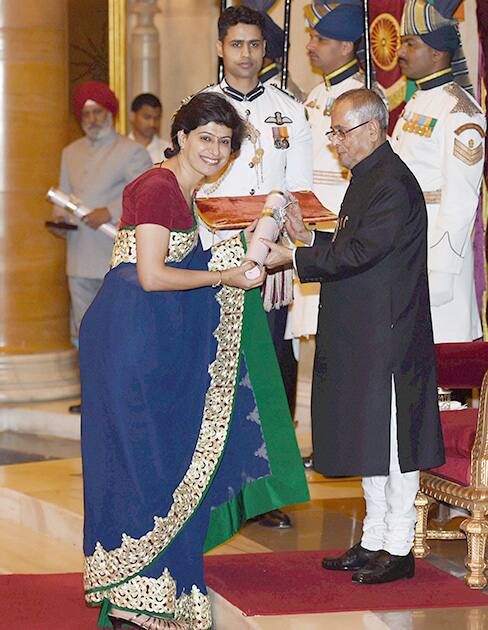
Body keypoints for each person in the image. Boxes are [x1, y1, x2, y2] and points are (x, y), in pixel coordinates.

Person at [80, 92, 309, 630]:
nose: (214, 150)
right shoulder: (158, 187)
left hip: (146, 341)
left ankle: (145, 598)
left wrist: (269, 252)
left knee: (153, 464)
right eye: (205, 137)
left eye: (224, 143)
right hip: (130, 347)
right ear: (181, 137)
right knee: (144, 467)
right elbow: (153, 275)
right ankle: (141, 599)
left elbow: (188, 259)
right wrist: (224, 276)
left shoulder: (185, 192)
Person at [262, 88, 445, 584]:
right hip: (363, 329)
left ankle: (400, 545)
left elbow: (362, 252)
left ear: (370, 129)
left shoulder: (390, 182)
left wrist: (294, 258)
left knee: (391, 443)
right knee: (371, 437)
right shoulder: (368, 176)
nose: (334, 142)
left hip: (387, 333)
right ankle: (374, 539)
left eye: (340, 132)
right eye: (333, 132)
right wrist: (308, 237)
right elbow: (352, 243)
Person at [199, 4, 313, 529]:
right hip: (215, 260)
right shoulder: (199, 108)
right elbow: (187, 188)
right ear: (221, 47)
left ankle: (266, 494)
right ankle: (214, 489)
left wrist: (282, 248)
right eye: (236, 44)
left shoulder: (291, 110)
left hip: (270, 262)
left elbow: (303, 192)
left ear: (267, 51)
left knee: (272, 373)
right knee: (215, 373)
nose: (246, 55)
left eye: (255, 45)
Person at [291, 1, 380, 469]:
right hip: (310, 230)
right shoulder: (312, 96)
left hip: (336, 234)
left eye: (321, 39)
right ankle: (316, 439)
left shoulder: (361, 98)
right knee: (311, 342)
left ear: (346, 45)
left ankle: (337, 441)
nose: (311, 45)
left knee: (336, 343)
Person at [49, 81, 152, 414]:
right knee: (83, 329)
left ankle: (120, 396)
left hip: (114, 256)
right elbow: (63, 196)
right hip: (79, 254)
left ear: (110, 113)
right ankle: (91, 396)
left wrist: (108, 211)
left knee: (117, 327)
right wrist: (58, 220)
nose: (92, 118)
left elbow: (143, 195)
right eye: (86, 113)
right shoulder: (70, 152)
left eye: (97, 112)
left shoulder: (131, 151)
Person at [391, 0, 485, 343]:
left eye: (410, 44)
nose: (400, 51)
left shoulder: (460, 112)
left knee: (442, 377)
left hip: (438, 259)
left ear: (437, 53)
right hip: (407, 250)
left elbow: (461, 199)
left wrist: (442, 271)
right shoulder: (415, 104)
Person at [129, 92, 171, 163]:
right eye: (147, 117)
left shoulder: (168, 152)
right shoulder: (119, 150)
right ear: (132, 116)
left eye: (157, 118)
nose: (152, 124)